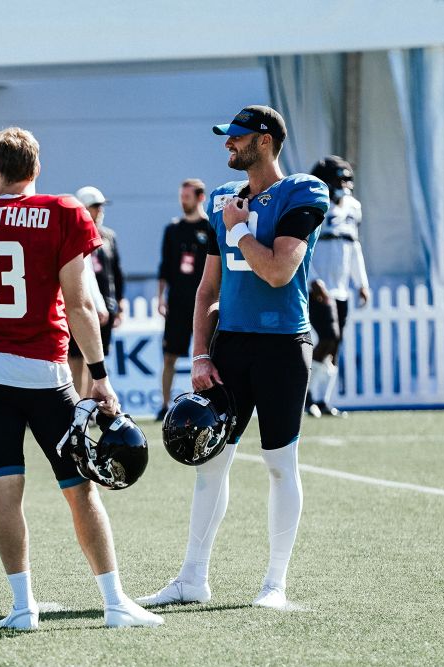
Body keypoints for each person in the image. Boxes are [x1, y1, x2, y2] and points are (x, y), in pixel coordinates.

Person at [0, 126, 163, 630]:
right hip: (46, 372)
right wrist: (98, 376)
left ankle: (21, 607)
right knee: (80, 489)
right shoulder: (62, 213)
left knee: (5, 490)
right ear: (36, 169)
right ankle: (115, 601)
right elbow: (79, 305)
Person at [138, 105, 330, 611]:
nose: (228, 146)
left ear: (264, 141)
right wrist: (200, 355)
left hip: (283, 346)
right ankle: (191, 579)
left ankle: (274, 583)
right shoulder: (224, 197)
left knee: (278, 464)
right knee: (212, 462)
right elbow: (207, 288)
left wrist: (242, 230)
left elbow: (279, 273)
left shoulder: (303, 192)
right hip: (231, 345)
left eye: (237, 138)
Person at [306, 155, 370, 418]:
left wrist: (361, 283)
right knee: (327, 338)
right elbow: (303, 248)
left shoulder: (353, 207)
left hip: (342, 286)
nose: (344, 183)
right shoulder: (314, 207)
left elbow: (354, 246)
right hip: (320, 288)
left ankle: (322, 400)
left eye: (347, 178)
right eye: (338, 178)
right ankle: (307, 394)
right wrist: (313, 280)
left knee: (336, 344)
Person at [154, 179, 215, 421]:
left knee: (205, 355)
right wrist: (160, 297)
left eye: (187, 197)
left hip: (204, 303)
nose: (183, 201)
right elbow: (164, 267)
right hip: (177, 303)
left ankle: (208, 402)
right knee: (169, 355)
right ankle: (164, 404)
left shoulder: (210, 227)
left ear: (200, 197)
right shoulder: (173, 229)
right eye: (181, 196)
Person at [67, 186, 125, 397]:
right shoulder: (72, 235)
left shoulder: (108, 236)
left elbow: (116, 272)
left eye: (101, 206)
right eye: (95, 206)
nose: (100, 211)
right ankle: (77, 402)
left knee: (98, 358)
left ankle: (93, 403)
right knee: (75, 357)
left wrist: (118, 302)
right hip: (78, 304)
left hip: (103, 306)